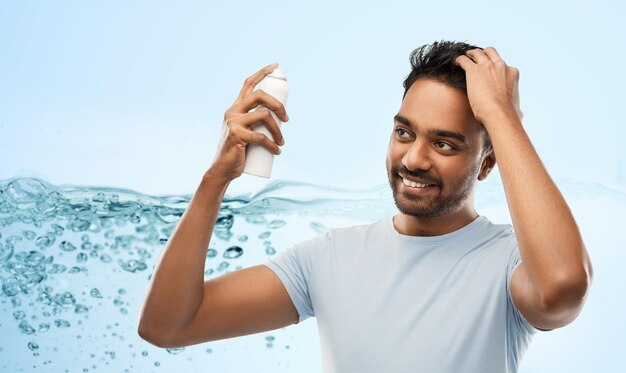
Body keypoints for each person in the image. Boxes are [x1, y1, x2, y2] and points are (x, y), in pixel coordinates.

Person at [138, 40, 593, 372]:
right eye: (404, 132)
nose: (414, 158)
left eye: (446, 144)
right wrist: (215, 177)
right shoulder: (328, 258)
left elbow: (563, 287)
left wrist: (502, 116)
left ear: (487, 161)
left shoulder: (509, 263)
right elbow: (169, 325)